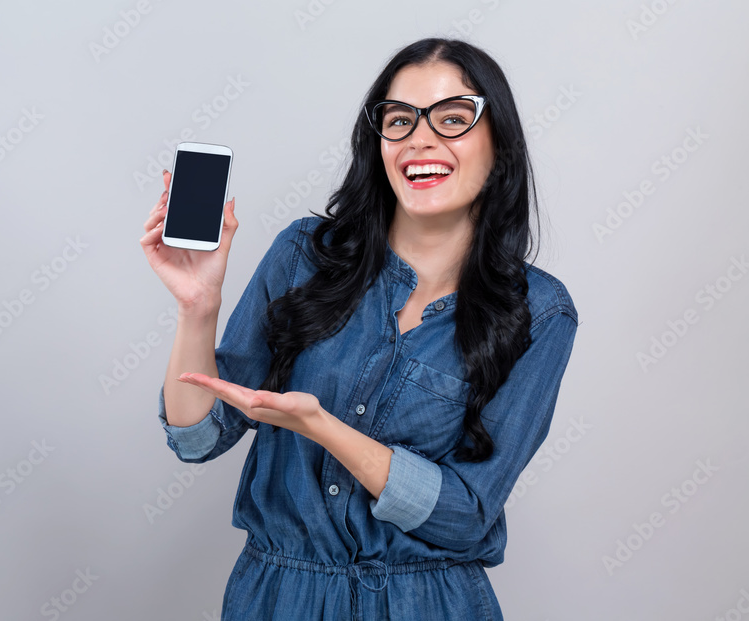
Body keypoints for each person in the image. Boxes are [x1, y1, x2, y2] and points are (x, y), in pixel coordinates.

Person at [139, 37, 578, 620]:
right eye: (400, 120)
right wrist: (198, 308)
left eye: (453, 118)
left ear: (499, 145)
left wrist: (322, 428)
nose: (421, 138)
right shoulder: (303, 254)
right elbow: (197, 438)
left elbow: (466, 511)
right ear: (379, 144)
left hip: (428, 603)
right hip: (278, 599)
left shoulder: (540, 311)